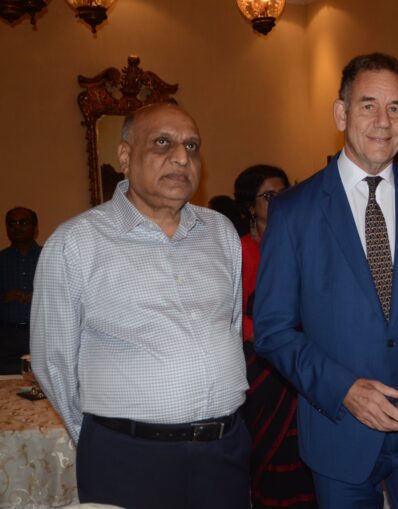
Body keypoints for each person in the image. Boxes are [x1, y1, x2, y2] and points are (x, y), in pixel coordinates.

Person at [253, 52, 398, 509]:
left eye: (395, 108)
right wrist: (342, 389)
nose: (382, 121)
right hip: (340, 433)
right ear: (341, 113)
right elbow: (273, 330)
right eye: (368, 105)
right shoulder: (293, 211)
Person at [31, 102, 250, 509]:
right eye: (163, 143)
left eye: (192, 146)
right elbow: (52, 363)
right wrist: (108, 438)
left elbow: (232, 329)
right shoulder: (76, 242)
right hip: (128, 460)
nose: (182, 157)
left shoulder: (220, 232)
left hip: (224, 452)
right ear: (126, 156)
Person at [235, 164, 317, 508]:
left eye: (284, 192)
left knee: (308, 449)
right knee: (272, 450)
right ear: (251, 206)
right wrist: (272, 335)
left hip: (304, 358)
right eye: (269, 196)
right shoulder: (239, 250)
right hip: (262, 365)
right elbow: (231, 314)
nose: (280, 200)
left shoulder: (306, 242)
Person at [0, 207, 41, 374]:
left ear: (35, 227)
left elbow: (65, 297)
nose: (18, 227)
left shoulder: (49, 256)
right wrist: (3, 297)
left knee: (42, 387)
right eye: (13, 223)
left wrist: (39, 298)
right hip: (6, 336)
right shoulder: (1, 259)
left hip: (41, 333)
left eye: (24, 222)